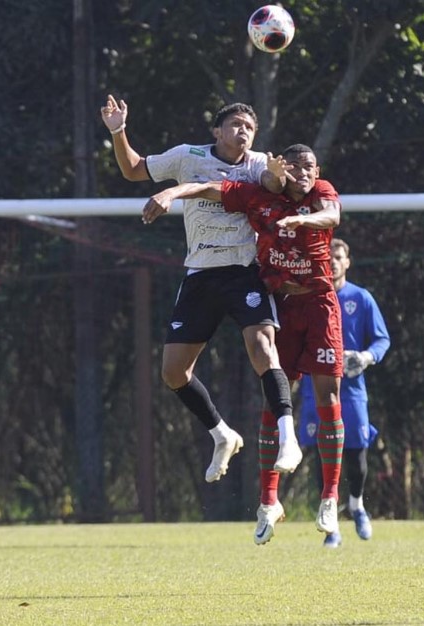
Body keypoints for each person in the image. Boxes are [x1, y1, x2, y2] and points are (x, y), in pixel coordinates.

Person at [99, 95, 302, 488]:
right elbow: (134, 170)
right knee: (174, 373)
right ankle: (222, 434)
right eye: (235, 125)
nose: (242, 131)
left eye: (249, 127)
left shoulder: (259, 163)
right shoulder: (187, 156)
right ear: (216, 131)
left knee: (263, 348)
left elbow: (271, 182)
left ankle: (288, 438)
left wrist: (277, 177)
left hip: (245, 272)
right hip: (201, 274)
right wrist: (118, 130)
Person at [148, 144, 345, 546]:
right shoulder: (257, 194)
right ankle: (268, 500)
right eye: (294, 167)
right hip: (283, 303)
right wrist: (169, 193)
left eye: (309, 166)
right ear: (279, 170)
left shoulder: (320, 191)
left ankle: (330, 497)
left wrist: (302, 222)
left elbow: (331, 215)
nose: (302, 173)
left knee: (327, 394)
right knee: (269, 387)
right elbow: (205, 189)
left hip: (320, 301)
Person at [298, 238, 390, 547]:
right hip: (317, 388)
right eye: (329, 257)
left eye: (339, 257)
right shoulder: (308, 297)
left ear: (347, 262)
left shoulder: (361, 298)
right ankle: (331, 524)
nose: (333, 262)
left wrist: (365, 357)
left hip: (352, 391)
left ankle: (356, 504)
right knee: (322, 455)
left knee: (356, 456)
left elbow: (381, 340)